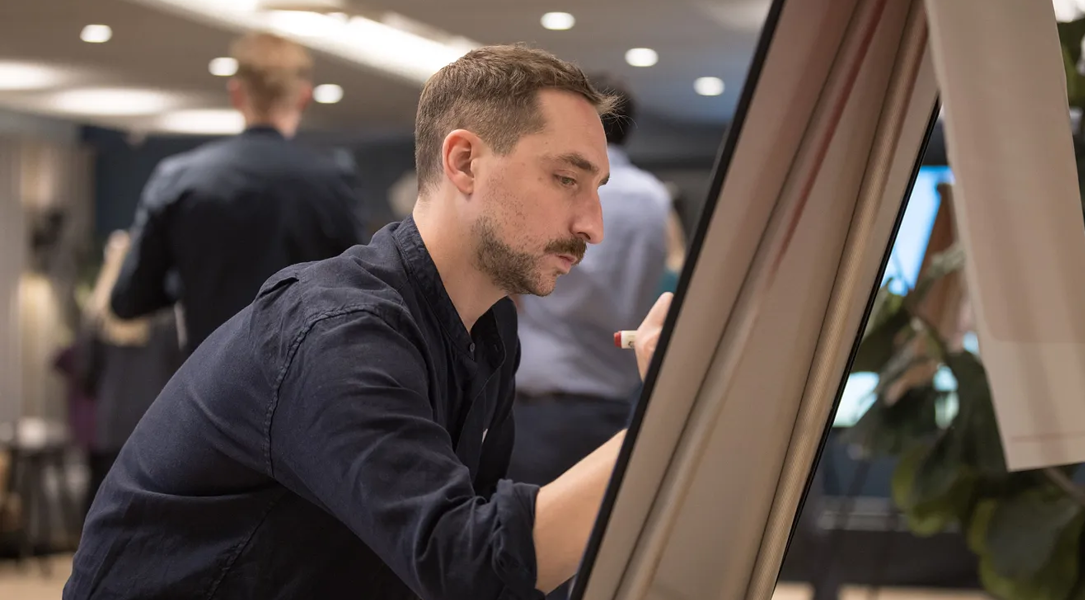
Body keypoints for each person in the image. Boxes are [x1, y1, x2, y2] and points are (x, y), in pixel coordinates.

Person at [65, 44, 672, 600]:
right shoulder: (340, 335)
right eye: (566, 179)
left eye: (596, 189)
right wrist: (673, 412)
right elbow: (465, 564)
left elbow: (474, 548)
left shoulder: (490, 331)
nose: (593, 226)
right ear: (464, 162)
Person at [110, 31, 365, 353]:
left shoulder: (178, 179)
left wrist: (189, 282)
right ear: (304, 96)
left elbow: (128, 301)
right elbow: (356, 286)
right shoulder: (332, 178)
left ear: (236, 93)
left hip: (210, 374)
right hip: (306, 373)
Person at [508, 74, 670, 493]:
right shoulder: (654, 197)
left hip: (546, 408)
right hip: (614, 401)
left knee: (529, 528)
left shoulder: (559, 186)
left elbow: (549, 282)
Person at [76, 231, 185, 515]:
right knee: (151, 513)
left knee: (104, 510)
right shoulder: (165, 316)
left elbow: (85, 375)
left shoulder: (96, 319)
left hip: (110, 425)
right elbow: (180, 373)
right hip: (153, 425)